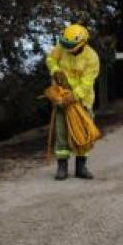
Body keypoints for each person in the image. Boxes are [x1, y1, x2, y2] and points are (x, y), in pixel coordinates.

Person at [46, 23, 100, 180]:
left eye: (72, 47)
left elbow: (87, 83)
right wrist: (55, 70)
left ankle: (81, 167)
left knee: (83, 134)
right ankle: (62, 167)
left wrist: (74, 96)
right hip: (61, 98)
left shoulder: (92, 58)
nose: (68, 50)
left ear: (82, 43)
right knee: (61, 132)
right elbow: (50, 59)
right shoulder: (62, 47)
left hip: (82, 101)